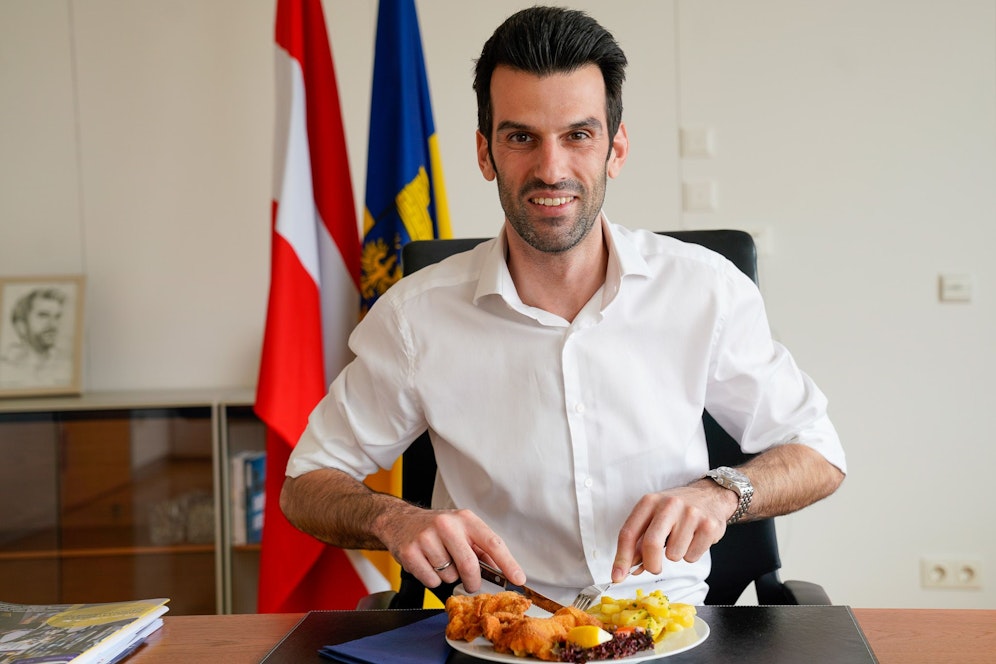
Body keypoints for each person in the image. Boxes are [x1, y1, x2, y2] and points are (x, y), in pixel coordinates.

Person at [281, 5, 846, 606]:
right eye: (521, 137)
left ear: (616, 148)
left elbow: (818, 452)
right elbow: (306, 484)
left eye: (578, 135)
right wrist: (395, 520)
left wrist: (720, 492)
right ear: (484, 153)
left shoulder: (706, 289)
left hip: (669, 632)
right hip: (499, 637)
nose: (551, 169)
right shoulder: (414, 317)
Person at [0, 287, 72, 388]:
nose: (53, 325)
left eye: (57, 317)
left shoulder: (68, 367)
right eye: (43, 315)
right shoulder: (5, 368)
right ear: (21, 325)